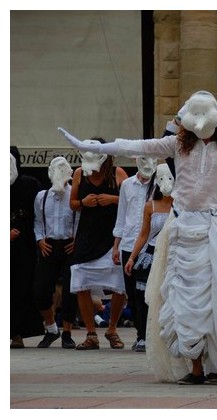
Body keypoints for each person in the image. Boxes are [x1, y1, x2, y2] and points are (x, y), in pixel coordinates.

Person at [59, 90, 217, 385]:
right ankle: (196, 367)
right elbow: (138, 146)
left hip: (215, 232)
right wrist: (94, 147)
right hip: (181, 232)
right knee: (182, 300)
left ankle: (216, 362)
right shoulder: (178, 145)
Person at [67, 140, 129, 350]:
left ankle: (112, 328)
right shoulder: (79, 174)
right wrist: (84, 203)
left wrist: (112, 199)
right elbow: (73, 203)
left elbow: (132, 200)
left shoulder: (117, 172)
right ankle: (91, 332)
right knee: (80, 278)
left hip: (111, 235)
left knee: (119, 282)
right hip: (86, 234)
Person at [124, 163, 175, 352]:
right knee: (144, 295)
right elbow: (144, 234)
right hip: (152, 254)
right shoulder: (150, 205)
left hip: (174, 253)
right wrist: (131, 258)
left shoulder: (181, 203)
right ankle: (143, 335)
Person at [113, 155, 159, 352]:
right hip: (129, 244)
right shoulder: (127, 185)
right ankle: (141, 334)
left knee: (149, 292)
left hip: (152, 245)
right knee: (132, 292)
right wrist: (116, 245)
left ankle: (150, 334)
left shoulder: (161, 184)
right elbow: (122, 215)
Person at [32, 156, 79, 349]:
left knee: (70, 290)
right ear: (50, 172)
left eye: (63, 168)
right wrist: (40, 240)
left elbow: (81, 220)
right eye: (56, 168)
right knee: (41, 290)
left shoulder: (74, 195)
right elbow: (38, 221)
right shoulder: (41, 196)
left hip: (69, 246)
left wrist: (76, 240)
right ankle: (51, 329)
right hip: (49, 246)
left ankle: (67, 332)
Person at [10, 147, 45, 348]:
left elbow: (42, 214)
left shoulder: (30, 186)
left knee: (22, 288)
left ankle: (17, 332)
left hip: (24, 248)